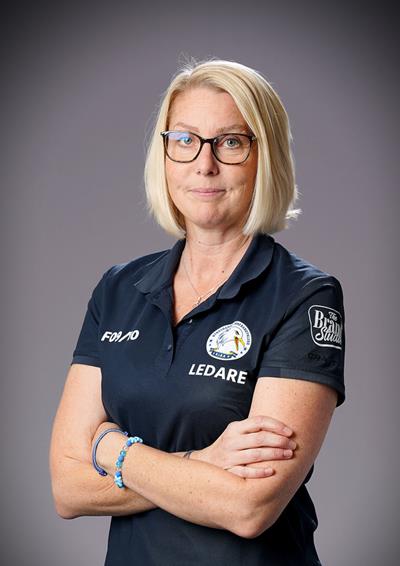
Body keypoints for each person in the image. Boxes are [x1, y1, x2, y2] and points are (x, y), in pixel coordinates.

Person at [49, 58, 345, 565]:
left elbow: (248, 506)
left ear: (265, 157)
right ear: (164, 154)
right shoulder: (118, 289)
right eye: (185, 139)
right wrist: (201, 462)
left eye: (230, 142)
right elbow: (67, 486)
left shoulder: (305, 296)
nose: (204, 164)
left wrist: (112, 451)